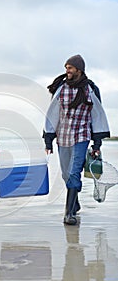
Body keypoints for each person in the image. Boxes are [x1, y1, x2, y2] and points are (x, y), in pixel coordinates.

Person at [43, 54, 110, 225]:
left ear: (79, 70)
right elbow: (53, 114)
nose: (67, 71)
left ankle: (69, 213)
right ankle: (75, 202)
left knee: (74, 172)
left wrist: (97, 143)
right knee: (66, 174)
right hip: (63, 136)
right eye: (66, 68)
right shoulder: (61, 88)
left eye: (70, 68)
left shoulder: (90, 89)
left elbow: (97, 116)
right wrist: (48, 139)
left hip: (82, 135)